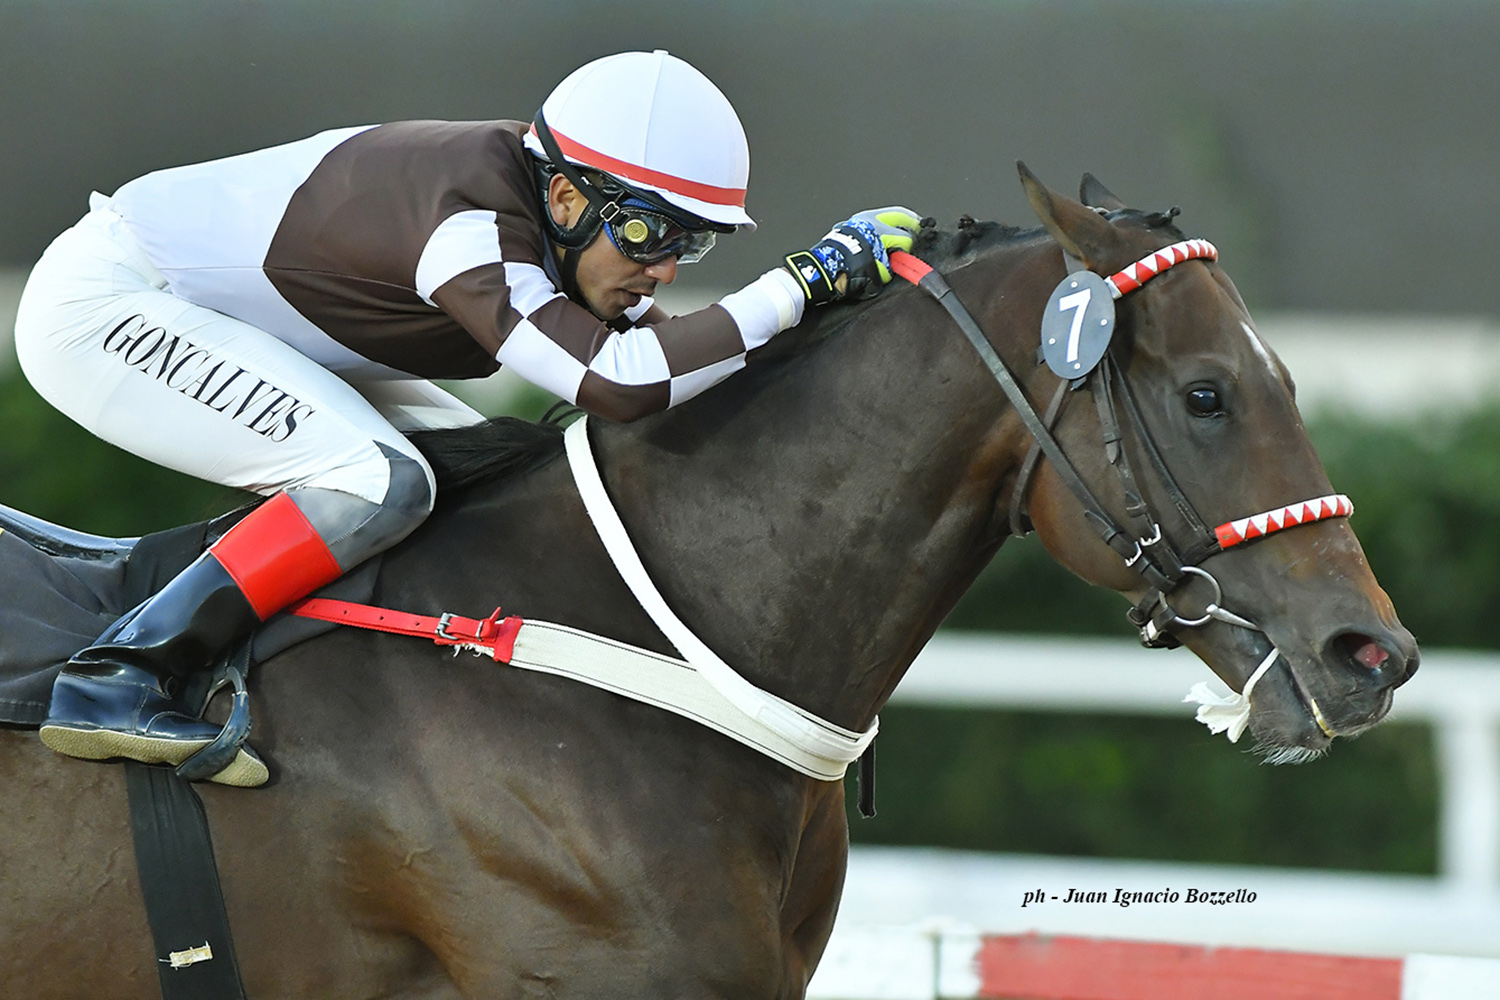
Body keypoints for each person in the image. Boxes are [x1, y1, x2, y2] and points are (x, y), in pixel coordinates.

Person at [13, 49, 921, 786]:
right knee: (381, 482)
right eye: (650, 233)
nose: (665, 270)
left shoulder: (546, 215)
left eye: (692, 241)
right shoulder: (470, 224)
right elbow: (617, 383)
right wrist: (805, 282)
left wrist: (835, 321)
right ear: (566, 198)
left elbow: (677, 363)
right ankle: (120, 674)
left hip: (236, 322)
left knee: (487, 471)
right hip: (110, 308)